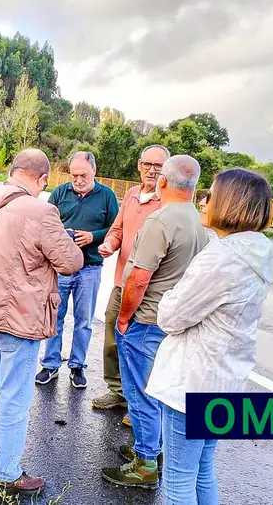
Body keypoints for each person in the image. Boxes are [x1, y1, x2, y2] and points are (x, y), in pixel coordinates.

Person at [146, 168, 273, 505]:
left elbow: (170, 316)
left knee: (177, 480)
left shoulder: (221, 259)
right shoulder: (257, 253)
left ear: (231, 204)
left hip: (192, 383)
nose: (204, 200)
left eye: (212, 195)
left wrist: (169, 297)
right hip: (224, 379)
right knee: (203, 470)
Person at [0, 148, 84, 496]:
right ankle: (7, 471)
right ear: (43, 179)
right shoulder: (42, 210)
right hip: (20, 315)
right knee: (15, 395)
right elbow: (69, 262)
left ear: (14, 171)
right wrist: (70, 243)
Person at [101, 155, 208, 489]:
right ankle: (152, 450)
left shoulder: (161, 220)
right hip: (172, 321)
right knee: (157, 389)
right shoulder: (197, 221)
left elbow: (137, 279)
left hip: (146, 320)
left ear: (164, 181)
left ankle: (145, 463)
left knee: (140, 392)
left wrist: (123, 317)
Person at [93, 145, 170, 420]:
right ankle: (118, 392)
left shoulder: (168, 202)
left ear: (167, 170)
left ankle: (141, 405)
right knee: (113, 338)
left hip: (152, 290)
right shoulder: (131, 195)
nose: (152, 170)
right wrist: (109, 244)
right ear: (139, 165)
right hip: (121, 283)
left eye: (158, 166)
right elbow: (118, 229)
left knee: (144, 347)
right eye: (147, 164)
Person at [36, 151, 119, 389]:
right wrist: (62, 235)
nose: (78, 179)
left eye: (83, 174)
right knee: (55, 317)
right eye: (74, 175)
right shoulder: (61, 192)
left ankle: (77, 366)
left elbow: (115, 228)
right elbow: (45, 222)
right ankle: (50, 364)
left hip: (90, 267)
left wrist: (94, 236)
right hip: (60, 268)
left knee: (84, 320)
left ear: (94, 170)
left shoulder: (107, 196)